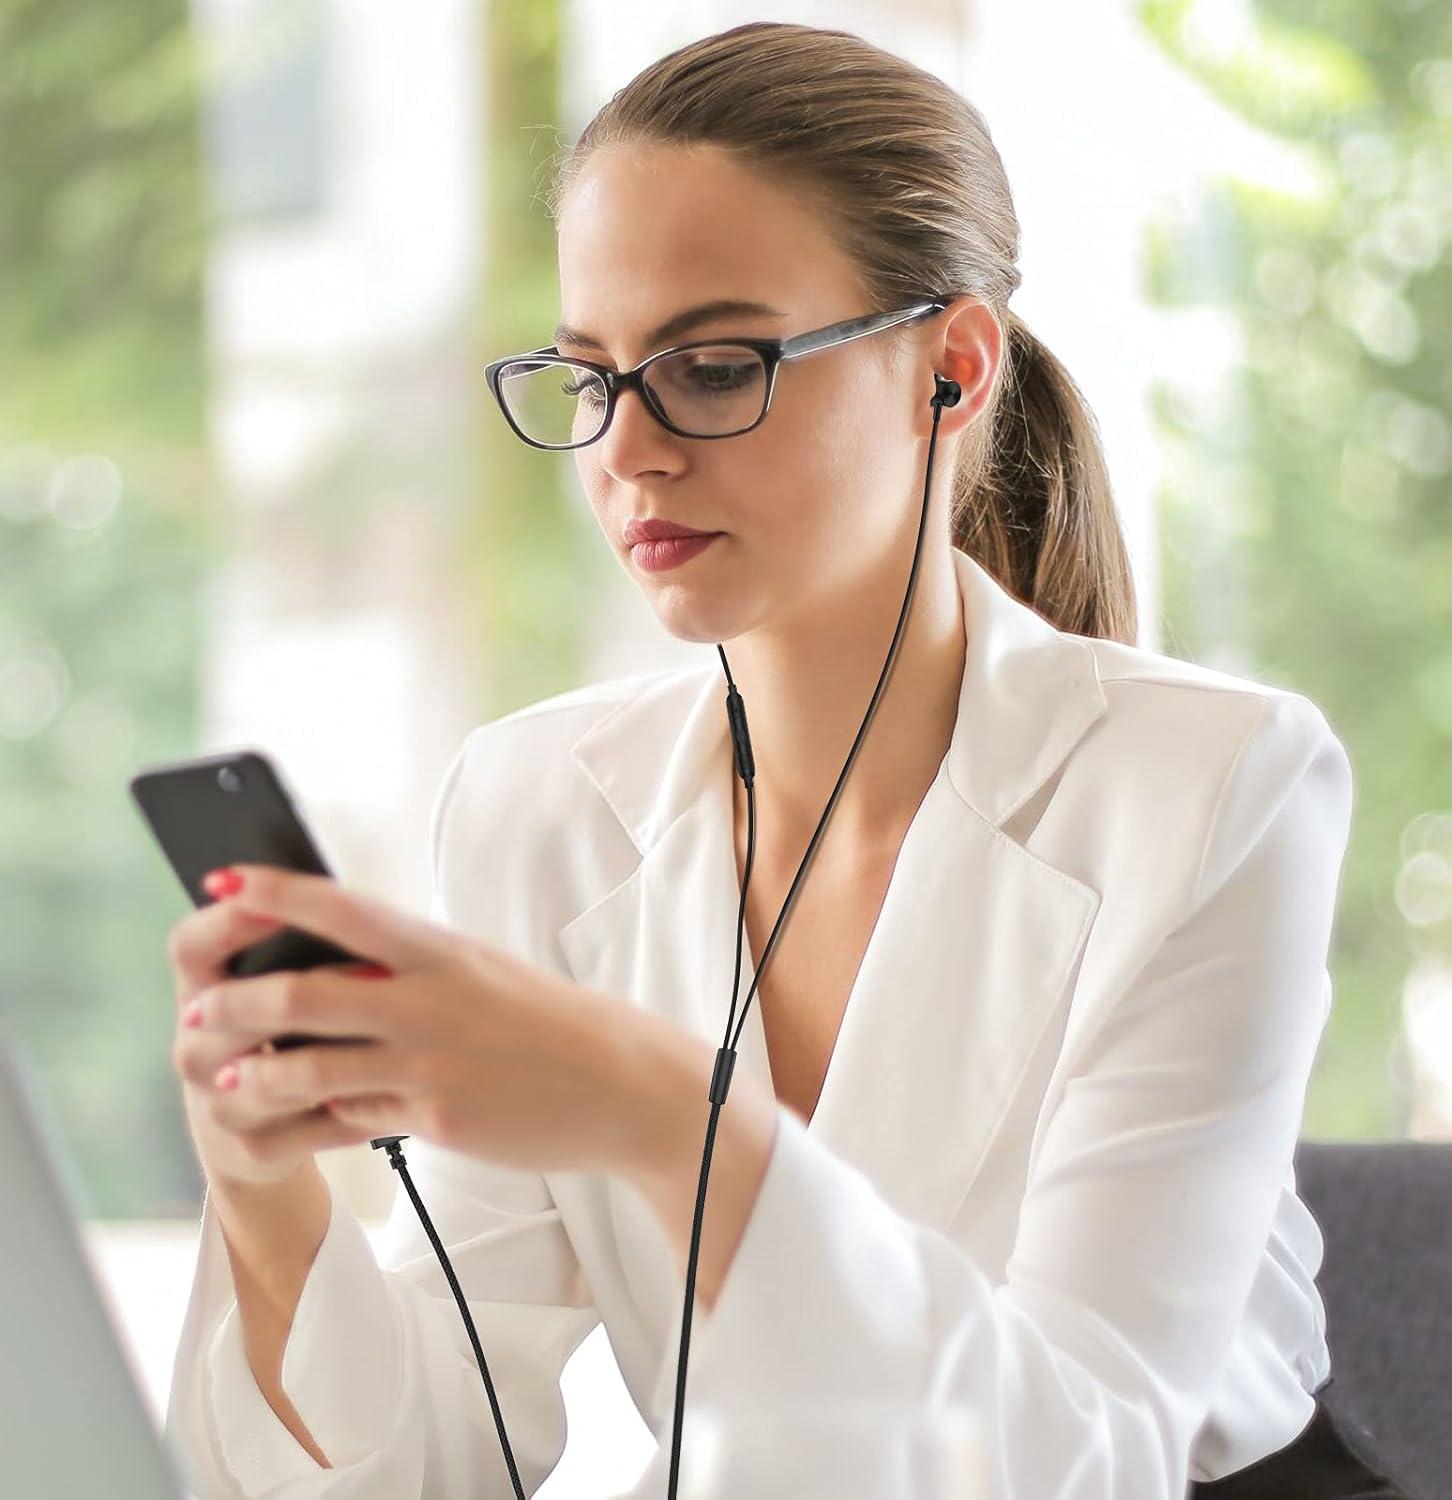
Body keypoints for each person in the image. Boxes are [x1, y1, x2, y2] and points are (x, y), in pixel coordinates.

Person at [162, 20, 1414, 1500]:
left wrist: (650, 1107)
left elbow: (1085, 1452)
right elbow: (445, 1457)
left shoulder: (1216, 783)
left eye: (710, 367)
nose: (627, 451)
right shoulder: (535, 805)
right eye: (591, 377)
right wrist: (264, 1184)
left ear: (950, 369)